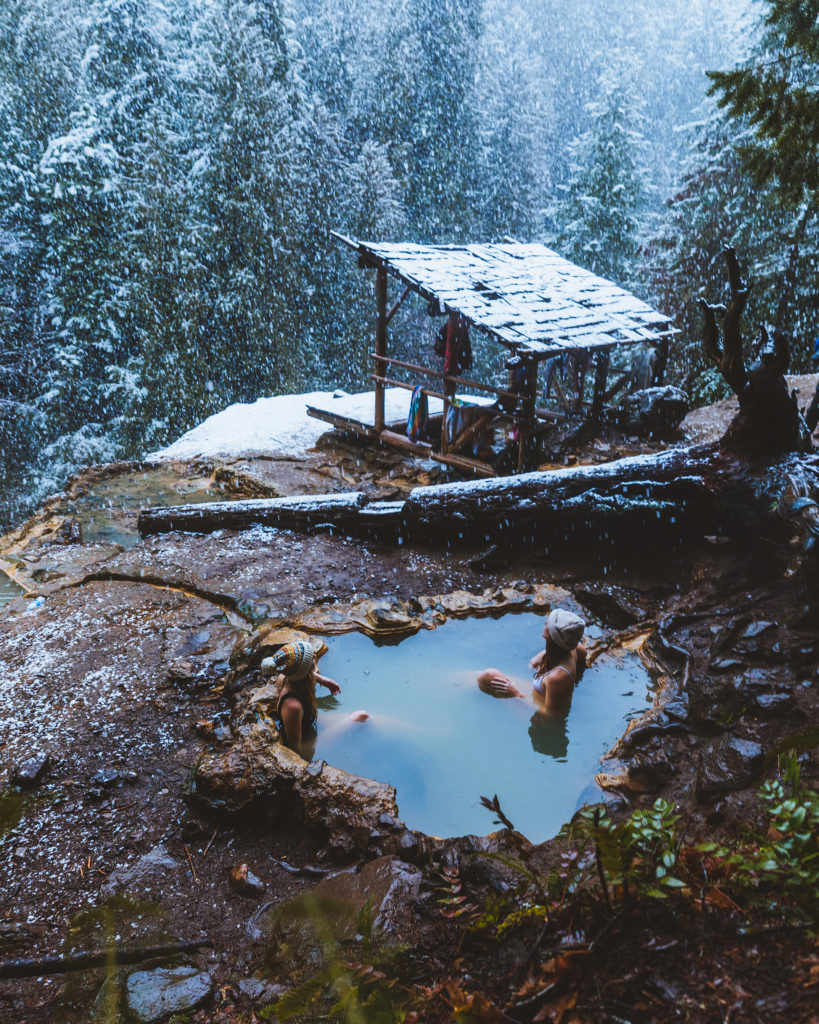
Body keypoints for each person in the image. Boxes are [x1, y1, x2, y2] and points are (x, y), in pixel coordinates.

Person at [477, 608, 586, 714]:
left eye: (550, 623)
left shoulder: (556, 678)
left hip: (536, 709)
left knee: (488, 675)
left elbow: (552, 716)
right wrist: (544, 653)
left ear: (553, 637)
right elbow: (583, 653)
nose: (546, 621)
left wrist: (517, 693)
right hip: (538, 695)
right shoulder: (572, 650)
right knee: (486, 676)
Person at [261, 640, 340, 753]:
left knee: (367, 717)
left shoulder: (284, 677)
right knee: (360, 716)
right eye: (311, 658)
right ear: (304, 671)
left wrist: (323, 680)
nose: (315, 655)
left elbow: (302, 673)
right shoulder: (292, 706)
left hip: (310, 722)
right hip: (306, 743)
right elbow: (295, 746)